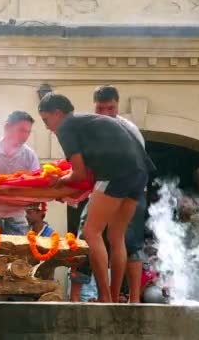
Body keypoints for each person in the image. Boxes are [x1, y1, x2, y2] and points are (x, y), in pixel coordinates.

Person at [38, 92, 155, 303]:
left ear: (57, 113)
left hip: (116, 172)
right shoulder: (90, 122)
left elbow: (79, 173)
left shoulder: (66, 127)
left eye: (46, 120)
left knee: (92, 232)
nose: (47, 127)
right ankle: (112, 295)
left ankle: (104, 297)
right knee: (117, 237)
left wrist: (60, 180)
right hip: (141, 174)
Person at [69, 86, 149, 303]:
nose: (105, 113)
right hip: (113, 186)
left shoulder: (128, 128)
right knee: (97, 236)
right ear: (94, 106)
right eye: (100, 108)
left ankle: (126, 298)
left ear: (118, 105)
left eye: (110, 108)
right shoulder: (94, 127)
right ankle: (84, 296)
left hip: (124, 187)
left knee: (121, 238)